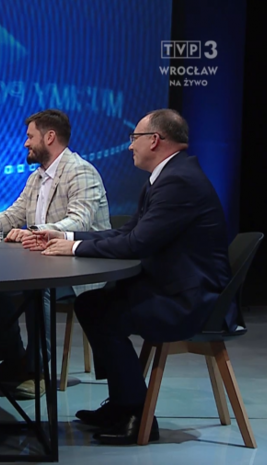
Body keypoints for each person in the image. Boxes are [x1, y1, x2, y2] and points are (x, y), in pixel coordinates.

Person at [31, 109, 233, 445]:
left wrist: (75, 249)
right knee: (92, 304)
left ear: (154, 140)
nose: (129, 146)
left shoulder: (179, 182)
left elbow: (138, 243)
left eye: (134, 138)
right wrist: (66, 237)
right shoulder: (168, 176)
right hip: (174, 287)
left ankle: (137, 415)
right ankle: (122, 403)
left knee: (105, 314)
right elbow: (127, 232)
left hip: (192, 300)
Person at [0, 109, 110, 399]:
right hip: (46, 263)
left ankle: (39, 372)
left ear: (49, 137)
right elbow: (13, 215)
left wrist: (35, 231)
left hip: (80, 267)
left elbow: (80, 222)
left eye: (30, 136)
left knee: (39, 288)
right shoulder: (38, 177)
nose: (26, 143)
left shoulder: (80, 171)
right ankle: (14, 361)